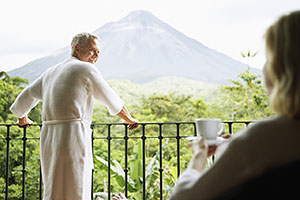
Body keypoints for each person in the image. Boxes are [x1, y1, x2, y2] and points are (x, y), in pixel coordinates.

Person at [113, 10, 300, 200]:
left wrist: (198, 158)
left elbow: (184, 198)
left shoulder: (264, 138)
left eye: (268, 59)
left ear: (282, 69)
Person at [10, 32, 139, 200]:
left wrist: (22, 118)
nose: (96, 56)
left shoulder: (51, 71)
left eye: (98, 52)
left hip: (49, 135)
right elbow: (110, 97)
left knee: (53, 184)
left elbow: (27, 95)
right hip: (73, 133)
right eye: (93, 51)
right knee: (76, 183)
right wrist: (129, 119)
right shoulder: (86, 68)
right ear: (77, 49)